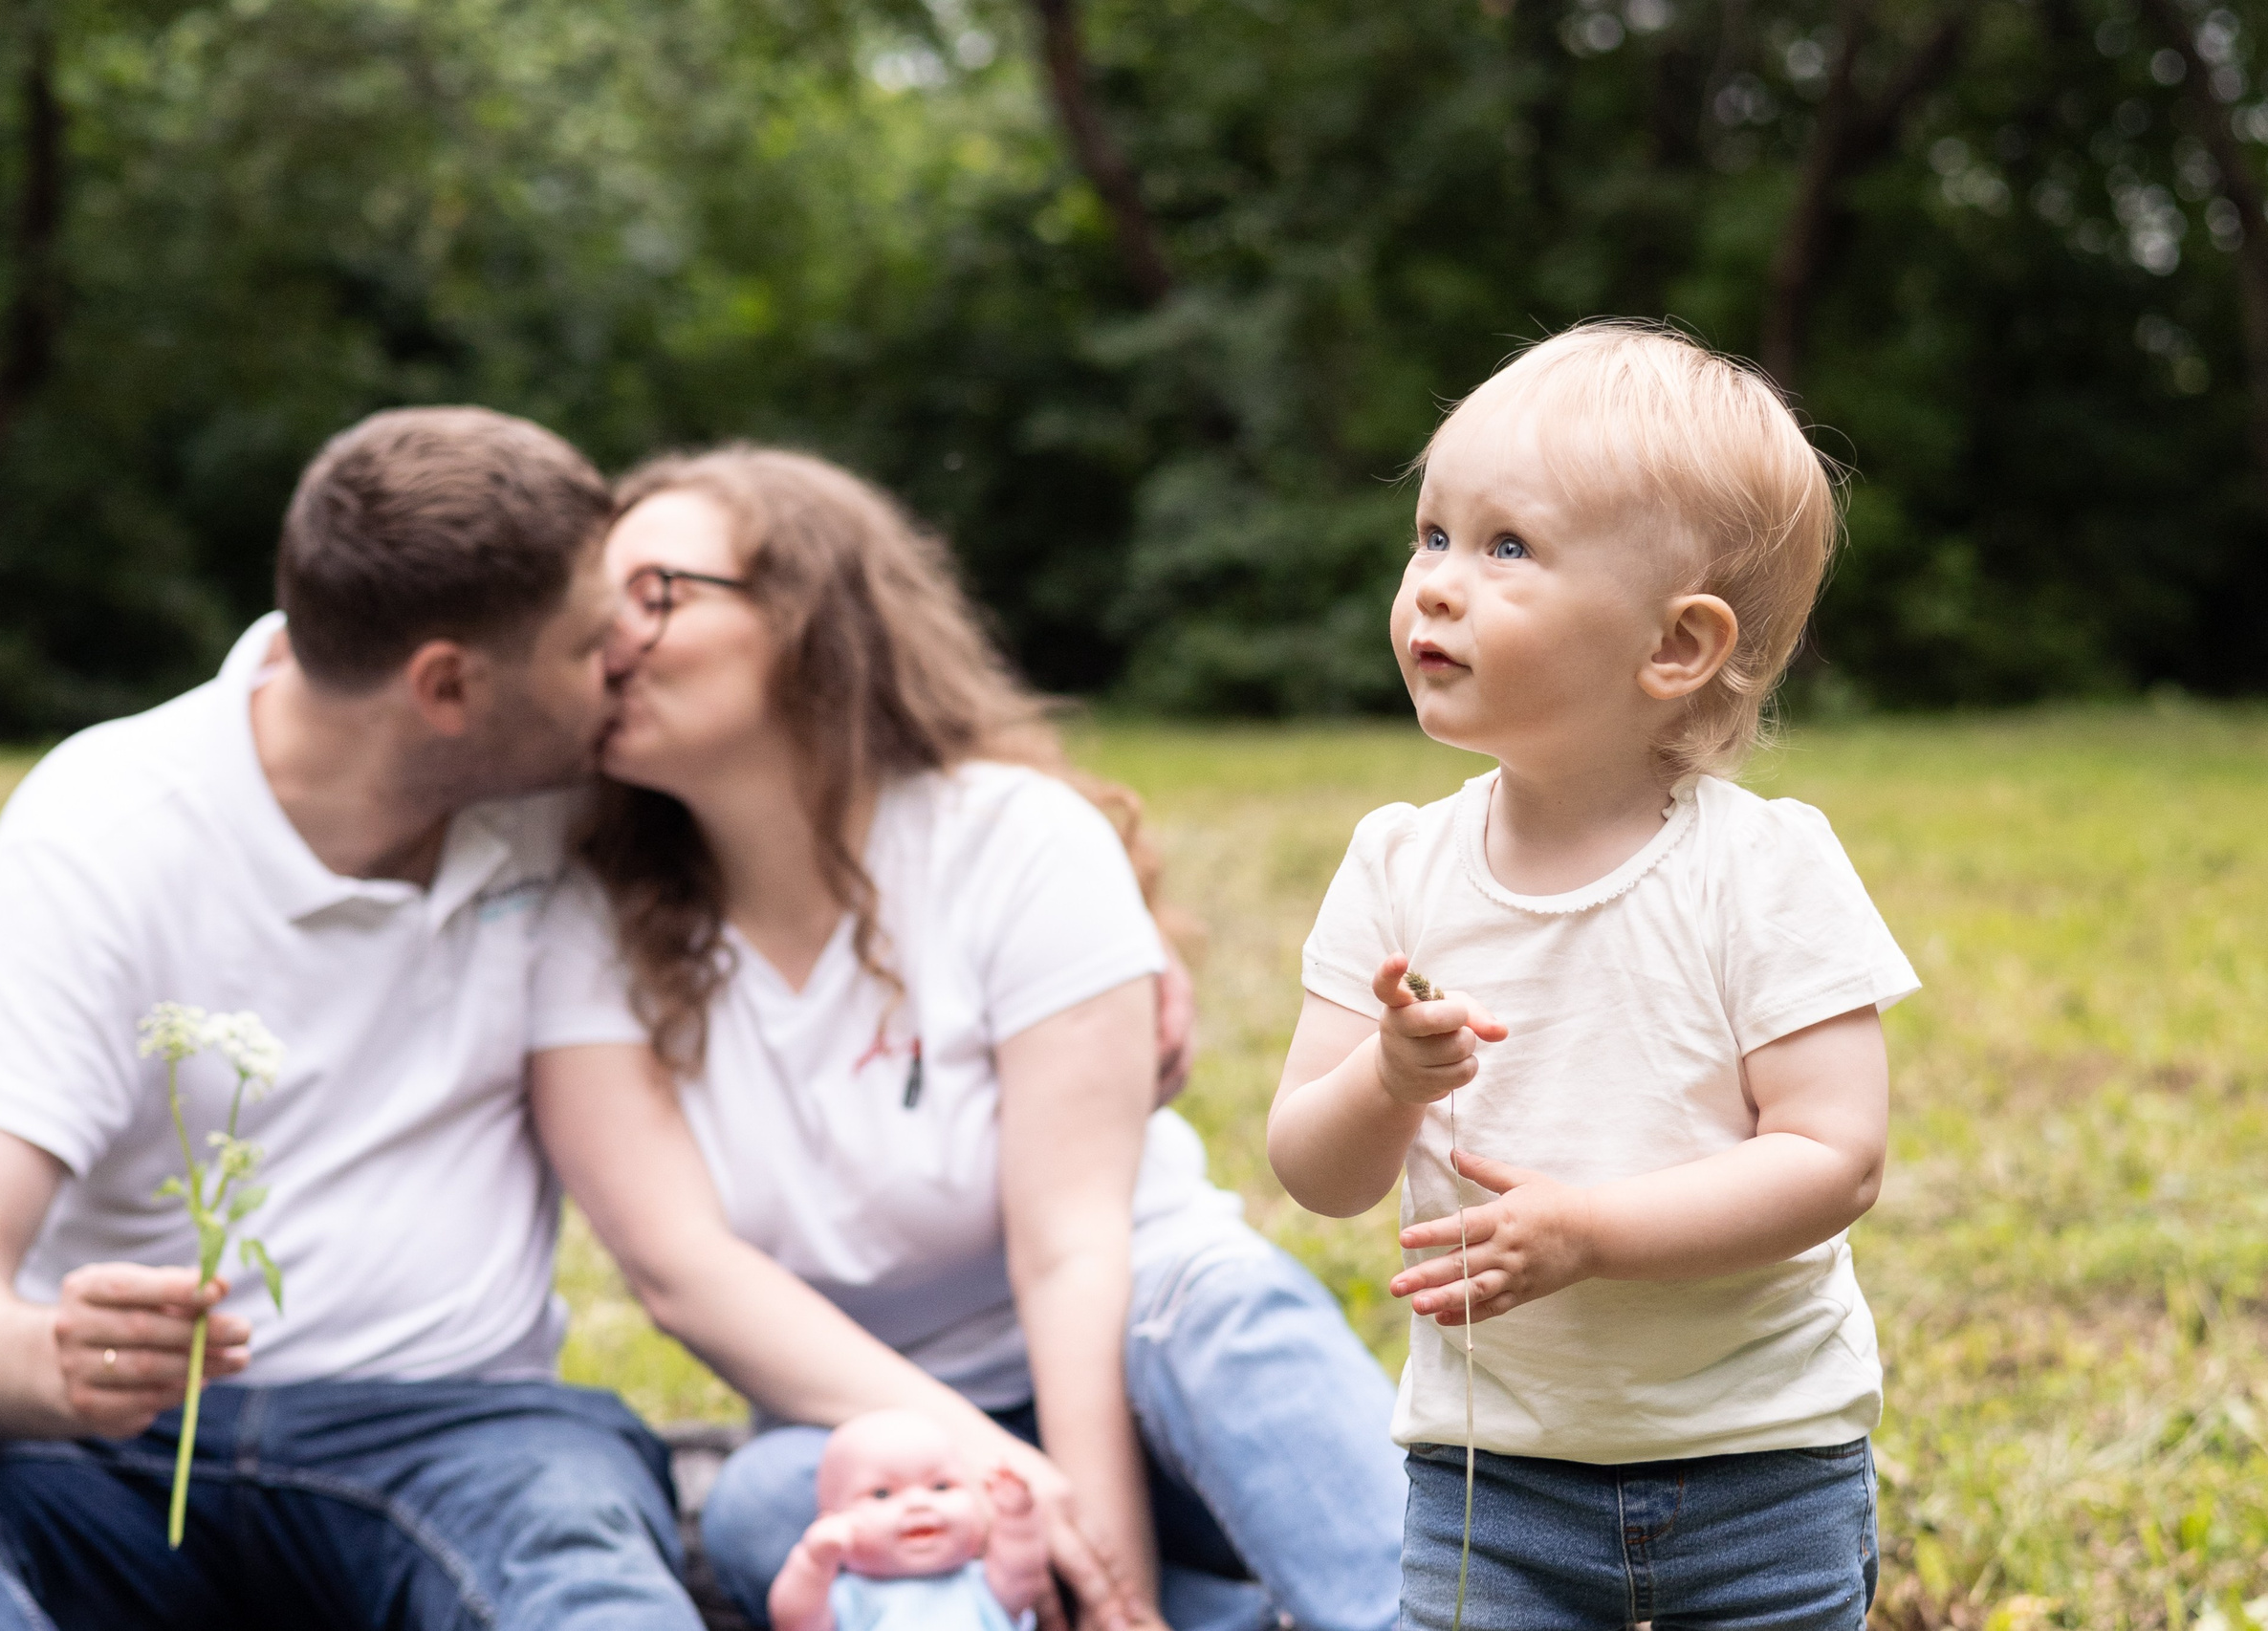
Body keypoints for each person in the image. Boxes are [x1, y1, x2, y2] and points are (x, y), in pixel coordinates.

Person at [0, 408, 703, 1628]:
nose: (622, 665)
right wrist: (45, 1361)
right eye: (587, 643)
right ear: (447, 683)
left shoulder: (568, 801)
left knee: (574, 1538)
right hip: (113, 1456)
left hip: (458, 1434)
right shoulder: (106, 823)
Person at [524, 447, 1407, 1631]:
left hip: (1142, 1356)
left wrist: (1099, 1540)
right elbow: (686, 1272)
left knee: (1236, 1328)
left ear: (810, 619)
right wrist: (1001, 1474)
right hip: (886, 1425)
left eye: (658, 592)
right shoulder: (582, 919)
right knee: (767, 1505)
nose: (609, 636)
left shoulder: (1013, 838)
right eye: (593, 602)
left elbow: (1070, 1246)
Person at [1266, 322, 1920, 1629]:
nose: (1438, 583)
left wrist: (1589, 1232)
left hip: (1762, 1468)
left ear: (1676, 645)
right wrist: (1388, 1080)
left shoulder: (1762, 870)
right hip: (1490, 1480)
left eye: (1507, 546)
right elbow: (1313, 1167)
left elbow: (1833, 1157)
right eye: (1433, 534)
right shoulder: (1399, 866)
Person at [766, 1408, 1051, 1631]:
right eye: (882, 1494)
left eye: (941, 1486)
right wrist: (813, 1562)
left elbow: (1024, 1575)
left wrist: (1017, 1519)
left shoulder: (985, 1586)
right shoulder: (846, 1599)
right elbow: (795, 1622)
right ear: (831, 1520)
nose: (918, 1503)